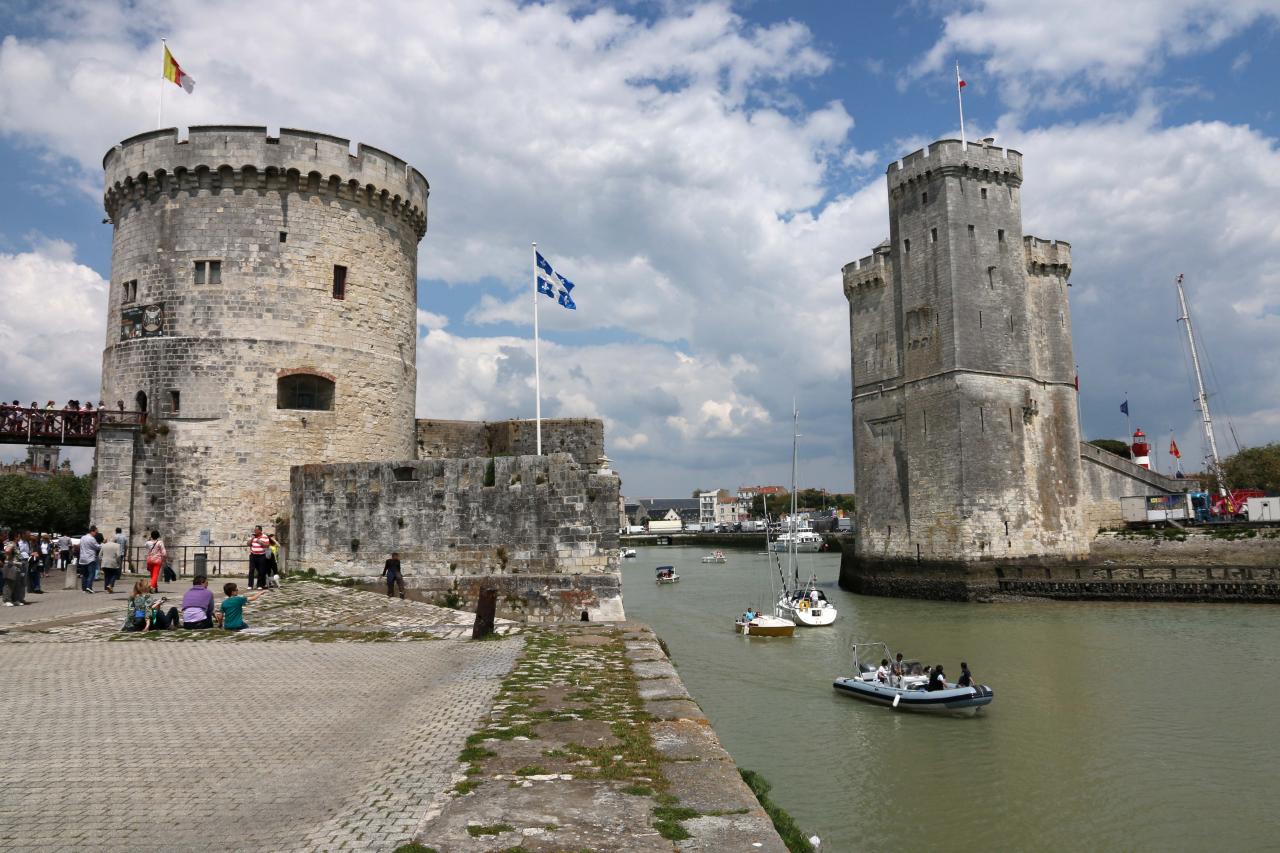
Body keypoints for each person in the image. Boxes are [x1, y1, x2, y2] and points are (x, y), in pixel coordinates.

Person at [2, 537, 27, 606]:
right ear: (16, 536)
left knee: (17, 584)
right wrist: (9, 558)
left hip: (17, 567)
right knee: (9, 584)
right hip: (11, 566)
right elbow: (7, 550)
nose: (19, 537)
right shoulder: (11, 543)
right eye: (18, 536)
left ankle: (15, 599)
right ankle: (6, 600)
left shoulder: (15, 544)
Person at [78, 525, 102, 593]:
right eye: (96, 532)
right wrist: (103, 544)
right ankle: (89, 587)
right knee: (91, 573)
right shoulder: (91, 539)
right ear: (92, 531)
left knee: (84, 574)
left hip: (82, 558)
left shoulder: (83, 537)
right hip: (90, 558)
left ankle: (84, 588)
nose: (96, 534)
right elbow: (97, 547)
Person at [246, 525, 270, 590]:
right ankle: (250, 585)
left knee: (261, 571)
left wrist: (260, 542)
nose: (255, 531)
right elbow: (248, 544)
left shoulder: (265, 537)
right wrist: (252, 539)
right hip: (253, 555)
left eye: (256, 530)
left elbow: (267, 545)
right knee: (251, 570)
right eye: (255, 530)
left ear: (260, 530)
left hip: (261, 556)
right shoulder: (252, 536)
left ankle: (259, 585)